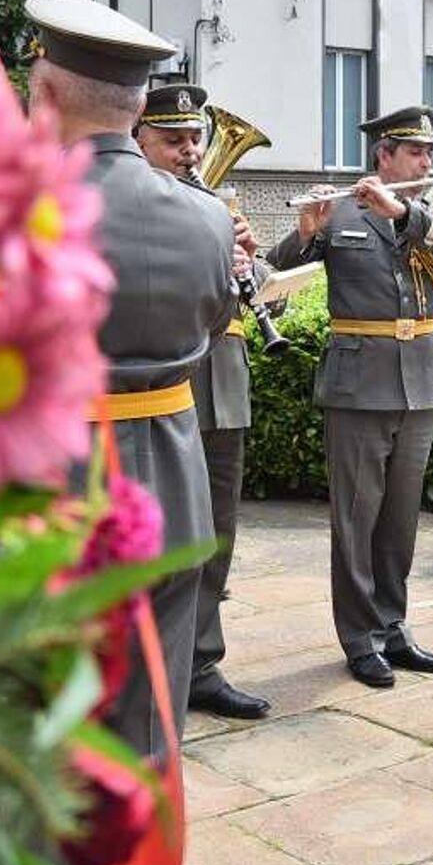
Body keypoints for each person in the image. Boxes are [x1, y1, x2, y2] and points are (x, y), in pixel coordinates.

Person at [25, 0, 236, 760]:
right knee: (150, 745)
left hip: (55, 492)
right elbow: (213, 324)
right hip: (175, 495)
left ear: (43, 89)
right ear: (140, 101)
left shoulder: (10, 208)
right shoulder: (208, 216)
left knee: (55, 753)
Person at [266, 105, 433, 689]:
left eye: (429, 152)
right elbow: (273, 273)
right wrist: (306, 231)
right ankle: (359, 636)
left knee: (400, 520)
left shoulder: (426, 212)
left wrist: (405, 211)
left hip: (421, 382)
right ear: (383, 156)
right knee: (357, 519)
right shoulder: (338, 211)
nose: (427, 162)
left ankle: (393, 625)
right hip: (359, 385)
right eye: (415, 153)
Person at [132, 82, 273, 721]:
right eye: (172, 140)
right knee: (153, 542)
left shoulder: (219, 208)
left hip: (224, 387)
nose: (190, 152)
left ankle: (200, 664)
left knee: (216, 535)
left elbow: (262, 292)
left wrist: (248, 262)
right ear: (138, 142)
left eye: (195, 139)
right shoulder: (137, 210)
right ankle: (146, 667)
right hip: (160, 396)